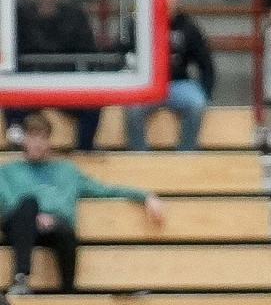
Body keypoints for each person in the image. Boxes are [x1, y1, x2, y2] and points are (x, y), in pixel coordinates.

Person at [0, 112, 163, 295]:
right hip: (19, 224)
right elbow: (6, 206)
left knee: (66, 232)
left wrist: (145, 196)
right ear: (24, 140)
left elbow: (105, 190)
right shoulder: (7, 171)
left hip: (55, 226)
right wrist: (34, 215)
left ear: (49, 141)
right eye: (32, 137)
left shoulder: (67, 170)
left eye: (42, 137)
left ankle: (68, 290)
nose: (37, 143)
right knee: (29, 204)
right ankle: (21, 278)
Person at [4, 0, 100, 152]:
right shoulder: (20, 15)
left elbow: (88, 50)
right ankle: (18, 147)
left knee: (93, 103)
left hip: (66, 82)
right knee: (11, 101)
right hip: (30, 81)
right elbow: (11, 52)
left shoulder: (75, 15)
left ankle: (84, 150)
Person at [125, 0, 215, 153]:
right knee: (133, 108)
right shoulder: (138, 24)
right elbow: (122, 52)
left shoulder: (188, 27)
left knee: (197, 103)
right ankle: (139, 156)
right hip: (147, 85)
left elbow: (206, 62)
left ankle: (185, 154)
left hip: (178, 83)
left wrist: (207, 91)